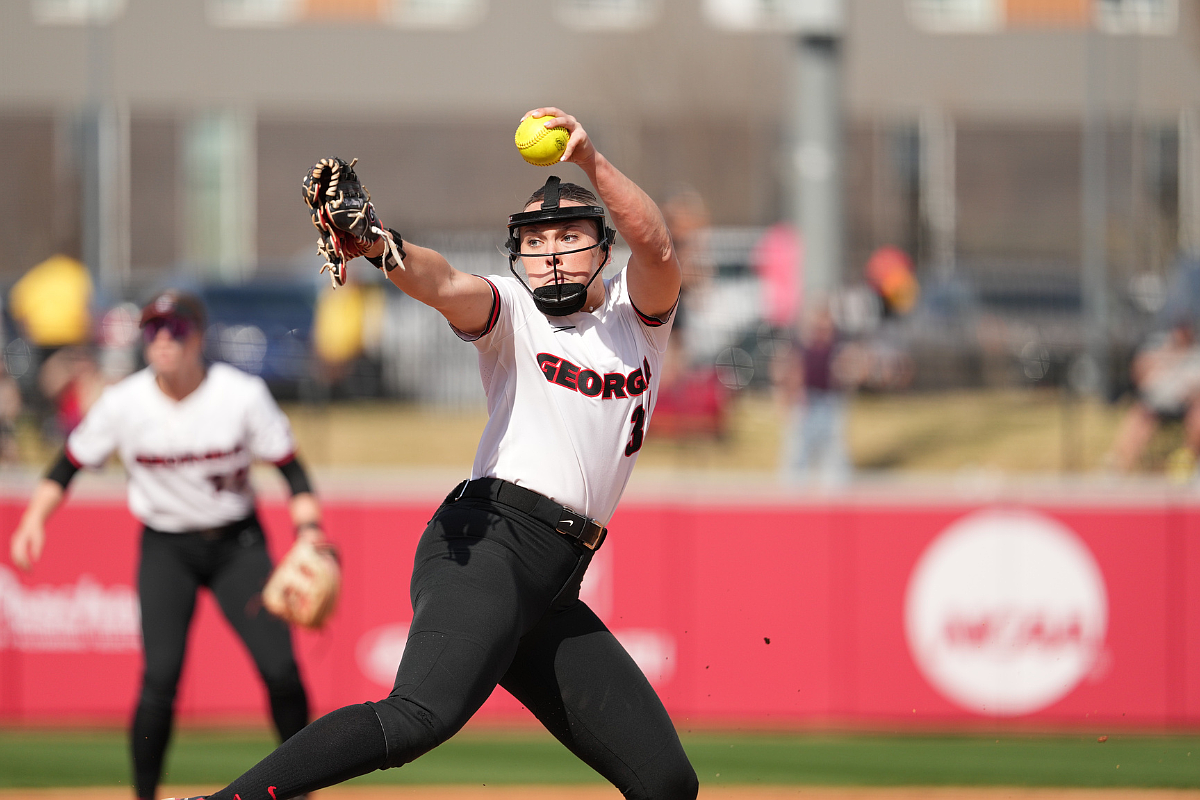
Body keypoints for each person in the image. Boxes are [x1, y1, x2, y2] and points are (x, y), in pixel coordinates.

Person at [179, 107, 697, 800]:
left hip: (555, 581)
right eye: (536, 241)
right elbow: (442, 284)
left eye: (568, 237)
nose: (549, 254)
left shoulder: (637, 322)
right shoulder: (512, 310)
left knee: (667, 784)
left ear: (603, 247)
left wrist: (591, 161)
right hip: (491, 541)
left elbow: (658, 248)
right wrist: (378, 243)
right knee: (418, 716)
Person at [8, 290, 326, 800]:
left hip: (237, 544)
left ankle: (304, 789)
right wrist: (34, 521)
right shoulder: (124, 402)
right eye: (153, 330)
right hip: (166, 548)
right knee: (160, 679)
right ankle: (145, 796)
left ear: (198, 336)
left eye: (175, 329)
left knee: (282, 671)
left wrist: (309, 531)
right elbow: (67, 463)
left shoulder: (239, 394)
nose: (162, 340)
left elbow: (291, 468)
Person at [774, 303, 852, 487]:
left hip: (829, 402)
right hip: (805, 402)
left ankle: (836, 492)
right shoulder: (799, 344)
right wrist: (785, 398)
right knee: (797, 451)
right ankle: (793, 493)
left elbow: (849, 372)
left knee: (834, 451)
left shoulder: (838, 345)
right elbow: (784, 372)